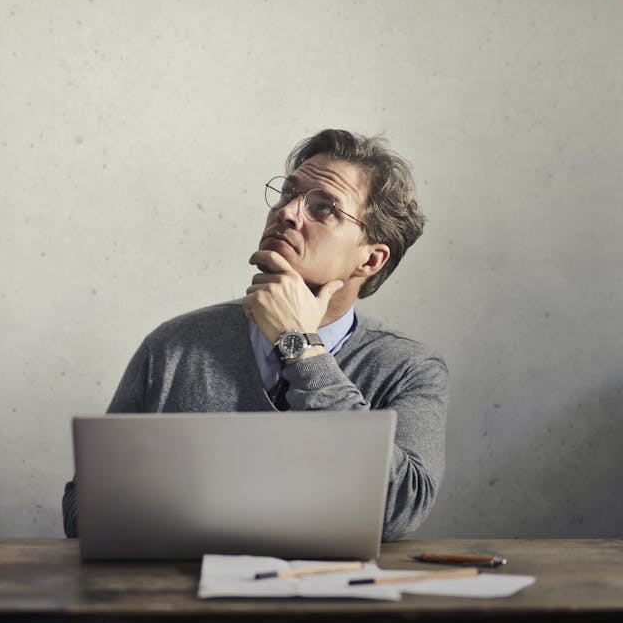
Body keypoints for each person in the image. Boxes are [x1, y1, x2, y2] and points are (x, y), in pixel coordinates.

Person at [61, 129, 446, 542]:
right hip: (181, 598)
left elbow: (399, 512)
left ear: (370, 258)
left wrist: (300, 347)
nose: (288, 212)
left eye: (324, 208)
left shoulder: (408, 369)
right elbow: (83, 510)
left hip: (328, 601)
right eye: (288, 193)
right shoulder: (174, 347)